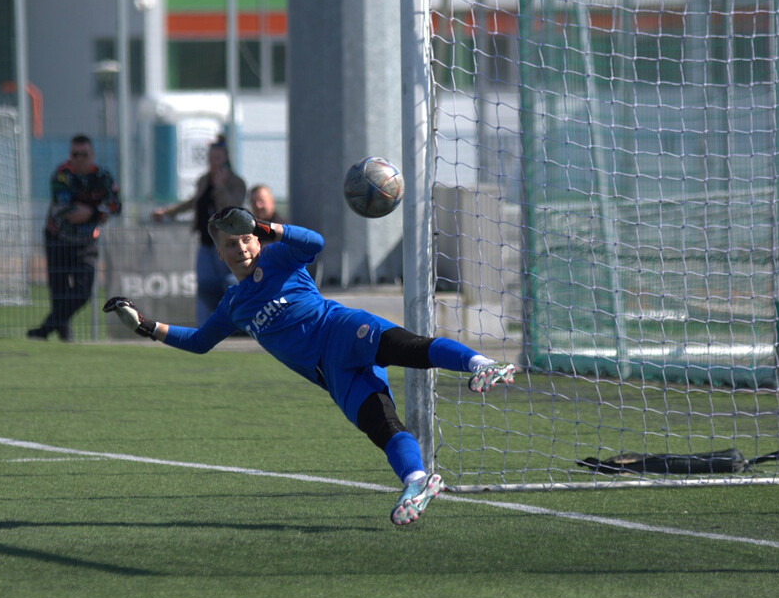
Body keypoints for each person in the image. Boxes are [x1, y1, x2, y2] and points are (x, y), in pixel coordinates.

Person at [104, 206, 515, 525]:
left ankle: (482, 364)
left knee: (408, 348)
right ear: (219, 252)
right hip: (329, 374)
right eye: (232, 244)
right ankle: (417, 482)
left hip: (339, 328)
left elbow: (315, 243)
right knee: (384, 426)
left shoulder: (280, 256)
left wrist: (269, 228)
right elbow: (198, 342)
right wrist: (145, 326)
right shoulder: (233, 304)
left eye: (246, 240)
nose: (242, 248)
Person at [28, 135, 121, 342]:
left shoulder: (103, 177)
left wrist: (91, 213)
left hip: (86, 242)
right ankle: (64, 338)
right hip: (58, 239)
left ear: (92, 155)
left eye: (84, 155)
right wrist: (98, 211)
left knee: (82, 292)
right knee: (59, 293)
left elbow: (115, 205)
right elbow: (66, 210)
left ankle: (43, 330)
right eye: (75, 155)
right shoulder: (62, 175)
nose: (79, 159)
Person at [153, 135, 246, 324]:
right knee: (205, 287)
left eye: (218, 158)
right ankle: (204, 330)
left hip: (227, 244)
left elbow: (233, 208)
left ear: (226, 159)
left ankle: (236, 326)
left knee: (229, 284)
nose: (213, 163)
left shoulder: (236, 182)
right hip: (206, 242)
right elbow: (195, 202)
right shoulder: (204, 180)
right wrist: (169, 212)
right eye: (210, 158)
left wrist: (220, 187)